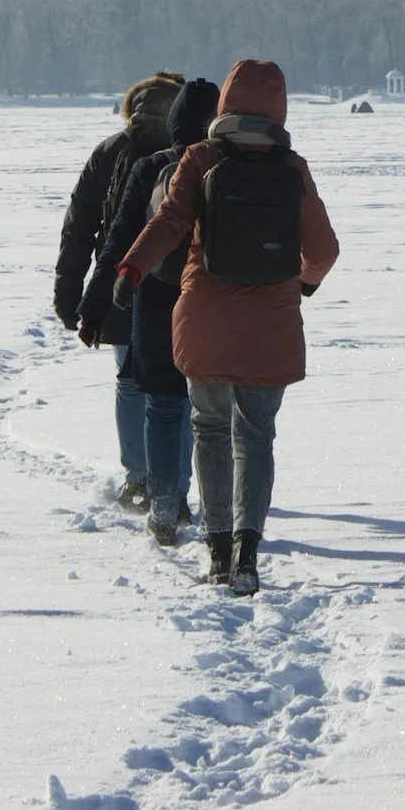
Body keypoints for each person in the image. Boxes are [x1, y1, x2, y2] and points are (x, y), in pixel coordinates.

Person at [121, 60, 339, 596]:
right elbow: (325, 250)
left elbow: (167, 222)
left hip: (205, 318)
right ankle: (247, 553)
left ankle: (216, 551)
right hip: (272, 324)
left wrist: (132, 267)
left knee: (211, 430)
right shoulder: (293, 169)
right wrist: (302, 284)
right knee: (257, 437)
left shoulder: (199, 159)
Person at [79, 78, 219, 547]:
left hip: (155, 297)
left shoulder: (148, 168)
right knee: (205, 410)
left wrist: (95, 306)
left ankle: (162, 501)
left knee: (162, 403)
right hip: (215, 300)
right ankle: (187, 496)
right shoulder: (228, 164)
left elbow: (117, 240)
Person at [54, 70, 185, 512]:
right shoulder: (193, 152)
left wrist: (70, 294)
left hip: (119, 285)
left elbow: (78, 229)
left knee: (130, 382)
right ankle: (176, 484)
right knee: (177, 387)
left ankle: (138, 477)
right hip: (180, 284)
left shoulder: (110, 151)